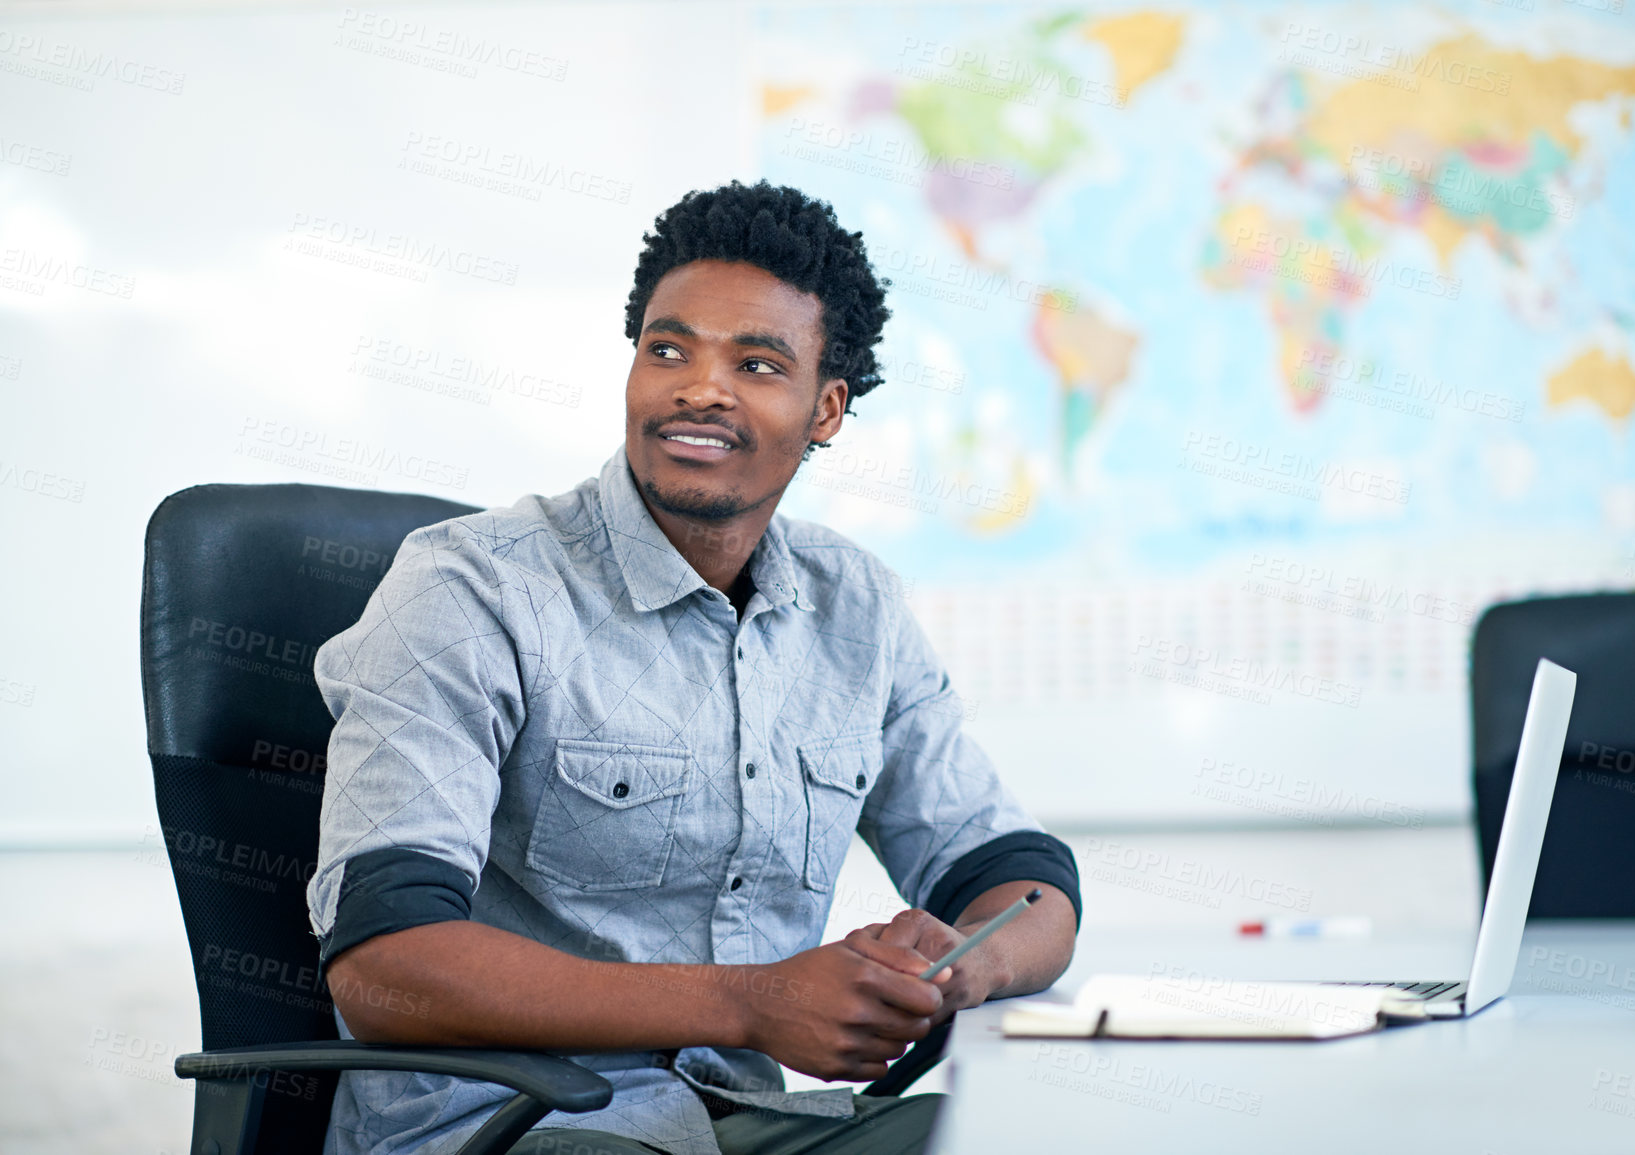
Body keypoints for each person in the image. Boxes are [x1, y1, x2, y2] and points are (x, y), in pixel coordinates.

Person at [304, 179, 1081, 1155]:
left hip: (746, 1123)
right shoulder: (470, 591)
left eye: (756, 363)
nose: (698, 388)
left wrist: (959, 969)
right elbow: (384, 969)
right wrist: (751, 1005)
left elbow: (1023, 879)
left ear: (826, 408)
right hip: (510, 1129)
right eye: (668, 349)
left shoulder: (855, 607)